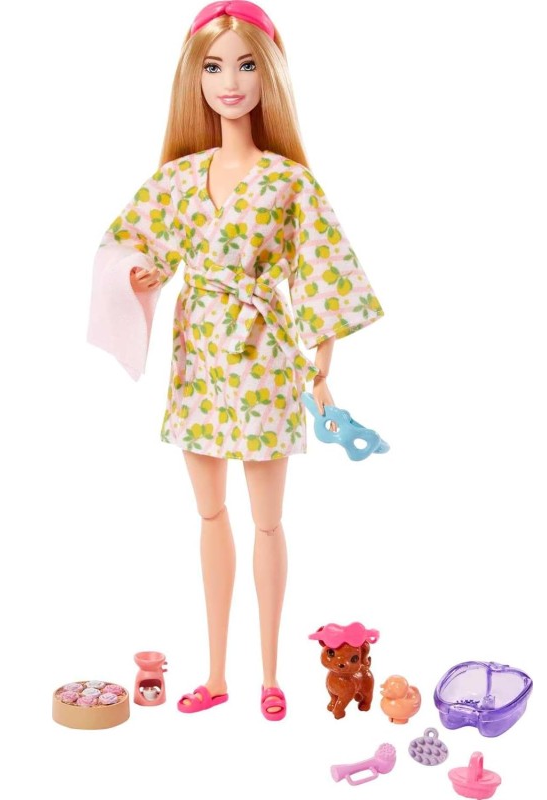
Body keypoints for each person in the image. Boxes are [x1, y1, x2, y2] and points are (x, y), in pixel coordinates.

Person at [87, 0, 383, 721]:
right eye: (215, 67)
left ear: (268, 74)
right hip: (198, 358)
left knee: (267, 521)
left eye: (246, 65)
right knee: (209, 514)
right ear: (194, 78)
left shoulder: (289, 182)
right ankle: (216, 673)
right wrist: (141, 274)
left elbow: (323, 273)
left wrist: (321, 374)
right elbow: (129, 244)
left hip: (262, 358)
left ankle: (271, 676)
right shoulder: (178, 179)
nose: (230, 82)